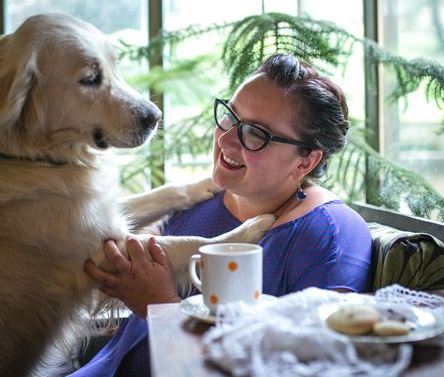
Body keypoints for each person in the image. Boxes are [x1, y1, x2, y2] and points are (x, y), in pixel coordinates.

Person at [68, 53, 373, 377]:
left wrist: (160, 304)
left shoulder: (330, 236)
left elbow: (316, 365)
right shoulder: (191, 205)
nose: (226, 139)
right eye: (230, 116)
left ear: (306, 161)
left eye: (256, 134)